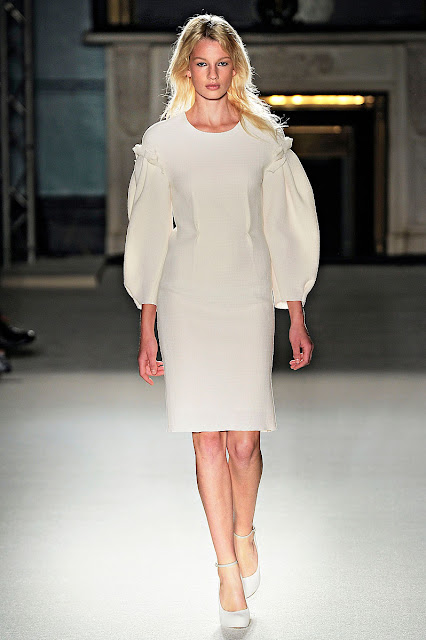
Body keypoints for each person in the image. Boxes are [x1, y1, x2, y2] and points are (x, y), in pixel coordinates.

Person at [123, 13, 320, 629]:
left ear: (236, 68)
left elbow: (283, 228)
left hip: (246, 295)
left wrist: (295, 311)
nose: (212, 74)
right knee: (207, 438)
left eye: (222, 63)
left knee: (245, 441)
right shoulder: (164, 143)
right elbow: (149, 232)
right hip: (186, 299)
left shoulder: (263, 140)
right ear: (187, 68)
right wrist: (147, 323)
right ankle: (226, 572)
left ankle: (244, 530)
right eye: (201, 63)